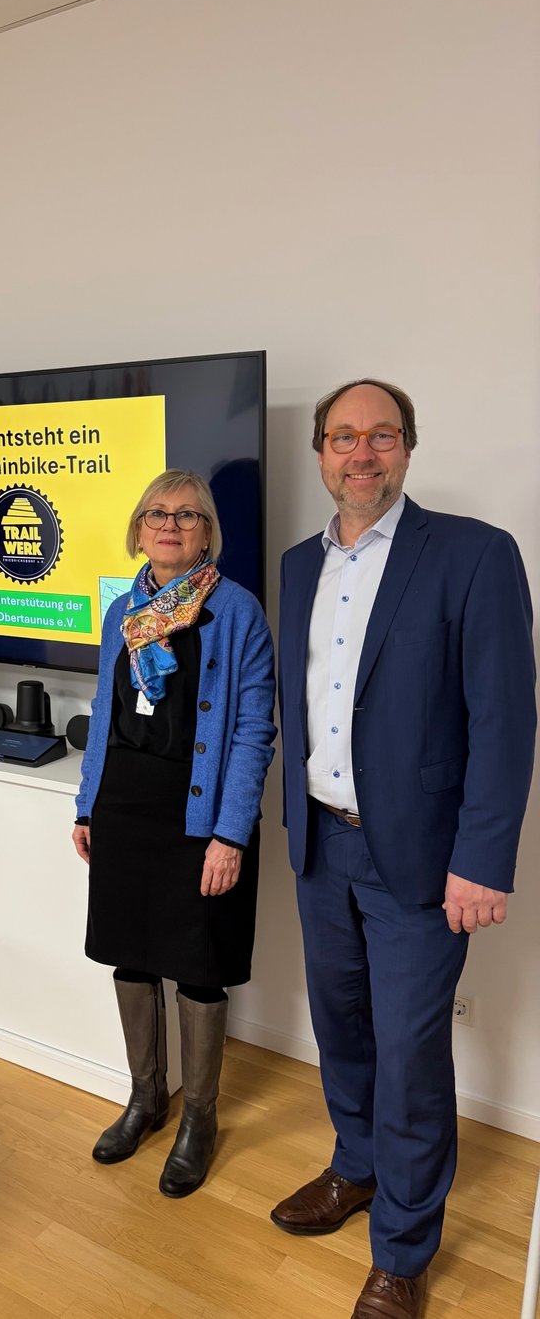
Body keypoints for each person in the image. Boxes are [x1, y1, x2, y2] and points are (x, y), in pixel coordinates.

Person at [273, 379, 535, 1319]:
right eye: (343, 437)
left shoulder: (472, 555)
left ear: (407, 449)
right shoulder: (299, 566)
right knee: (341, 1027)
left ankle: (404, 1251)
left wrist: (483, 858)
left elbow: (505, 721)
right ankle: (357, 1167)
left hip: (421, 860)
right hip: (320, 843)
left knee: (413, 1052)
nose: (361, 453)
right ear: (320, 455)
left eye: (381, 436)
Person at [72, 468, 276, 1196]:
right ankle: (146, 1099)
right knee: (131, 954)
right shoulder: (123, 609)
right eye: (157, 513)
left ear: (206, 534)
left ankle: (200, 1121)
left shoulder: (237, 612)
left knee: (198, 963)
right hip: (126, 806)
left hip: (197, 815)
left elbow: (255, 730)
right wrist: (87, 803)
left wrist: (230, 835)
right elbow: (105, 709)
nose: (170, 525)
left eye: (188, 516)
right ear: (137, 528)